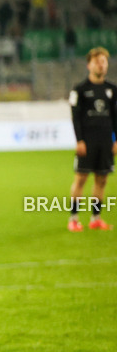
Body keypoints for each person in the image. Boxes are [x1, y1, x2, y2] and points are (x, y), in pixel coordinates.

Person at [68, 47, 117, 231]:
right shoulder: (80, 89)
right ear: (89, 65)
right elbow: (75, 116)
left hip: (106, 142)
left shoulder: (112, 90)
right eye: (97, 61)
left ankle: (95, 218)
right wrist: (79, 140)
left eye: (104, 61)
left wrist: (116, 140)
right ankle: (73, 219)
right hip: (87, 142)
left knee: (102, 180)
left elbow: (115, 117)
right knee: (81, 179)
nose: (101, 65)